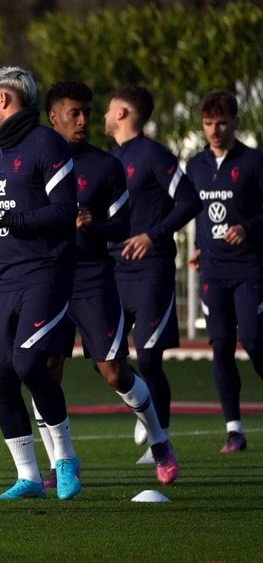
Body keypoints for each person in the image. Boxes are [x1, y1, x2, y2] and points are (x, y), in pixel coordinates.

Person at [36, 81, 178, 486]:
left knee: (114, 373)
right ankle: (60, 462)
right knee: (44, 370)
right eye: (74, 113)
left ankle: (160, 441)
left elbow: (122, 225)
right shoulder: (36, 162)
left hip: (94, 278)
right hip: (48, 279)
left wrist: (93, 225)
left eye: (86, 112)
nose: (83, 121)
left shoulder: (105, 165)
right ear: (54, 117)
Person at [0, 66, 81, 501]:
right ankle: (28, 476)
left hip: (46, 271)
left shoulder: (48, 145)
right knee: (0, 374)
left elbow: (63, 212)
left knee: (30, 362)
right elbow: (9, 212)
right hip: (5, 274)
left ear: (6, 101)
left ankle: (65, 459)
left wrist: (7, 219)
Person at [103, 85, 202, 461]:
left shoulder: (154, 155)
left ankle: (160, 433)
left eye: (110, 109)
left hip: (151, 271)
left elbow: (190, 200)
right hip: (113, 271)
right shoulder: (110, 160)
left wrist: (153, 235)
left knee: (148, 356)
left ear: (124, 113)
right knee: (104, 356)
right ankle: (141, 399)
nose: (105, 115)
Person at [186, 90, 263, 453]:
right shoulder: (195, 165)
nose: (214, 130)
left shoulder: (253, 161)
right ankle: (234, 429)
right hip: (213, 270)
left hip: (249, 266)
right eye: (207, 124)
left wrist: (248, 227)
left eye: (221, 123)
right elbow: (197, 212)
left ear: (235, 122)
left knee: (252, 339)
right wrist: (200, 246)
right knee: (220, 347)